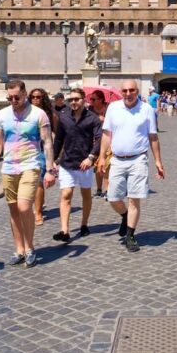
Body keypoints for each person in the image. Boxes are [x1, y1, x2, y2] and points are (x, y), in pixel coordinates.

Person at [0, 80, 55, 268]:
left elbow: (47, 142)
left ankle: (30, 247)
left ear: (25, 94)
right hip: (9, 167)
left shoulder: (38, 114)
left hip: (30, 165)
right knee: (14, 210)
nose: (14, 100)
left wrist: (50, 169)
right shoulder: (2, 114)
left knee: (24, 207)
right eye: (10, 98)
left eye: (17, 97)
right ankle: (19, 249)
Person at [97, 79, 164, 253]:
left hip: (138, 159)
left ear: (137, 91)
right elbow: (106, 134)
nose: (128, 94)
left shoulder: (147, 109)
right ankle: (125, 216)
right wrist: (102, 156)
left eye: (132, 90)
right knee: (112, 197)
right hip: (117, 160)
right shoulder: (113, 108)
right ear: (121, 91)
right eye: (125, 90)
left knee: (134, 198)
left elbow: (153, 137)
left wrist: (158, 161)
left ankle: (130, 235)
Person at [52, 87, 102, 243]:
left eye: (76, 99)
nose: (73, 102)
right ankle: (64, 231)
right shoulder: (63, 117)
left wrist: (91, 157)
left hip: (85, 163)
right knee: (66, 194)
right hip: (67, 162)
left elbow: (100, 139)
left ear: (84, 100)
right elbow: (58, 139)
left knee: (86, 195)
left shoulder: (93, 118)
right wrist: (53, 159)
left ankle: (84, 224)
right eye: (71, 99)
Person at [28, 88, 58, 226]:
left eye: (38, 97)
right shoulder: (25, 113)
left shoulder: (50, 115)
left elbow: (55, 136)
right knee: (31, 182)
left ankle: (38, 212)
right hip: (27, 151)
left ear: (43, 98)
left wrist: (53, 160)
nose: (35, 99)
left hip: (42, 151)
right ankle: (36, 205)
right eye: (33, 97)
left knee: (39, 182)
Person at [88, 89, 109, 198]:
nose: (91, 100)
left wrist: (104, 119)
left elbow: (114, 122)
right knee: (96, 167)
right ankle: (99, 189)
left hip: (108, 139)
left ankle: (107, 190)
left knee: (106, 165)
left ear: (101, 99)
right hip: (95, 140)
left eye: (94, 99)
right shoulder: (90, 109)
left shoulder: (109, 108)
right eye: (90, 99)